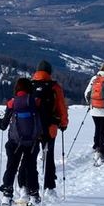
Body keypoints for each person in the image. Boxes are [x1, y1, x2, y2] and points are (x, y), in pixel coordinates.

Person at [0, 76, 42, 205]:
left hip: (15, 142)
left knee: (11, 167)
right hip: (32, 142)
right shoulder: (36, 102)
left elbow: (4, 125)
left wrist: (0, 123)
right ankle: (33, 194)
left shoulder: (12, 103)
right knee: (31, 167)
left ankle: (7, 194)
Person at [30, 60, 68, 195]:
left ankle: (27, 186)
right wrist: (63, 123)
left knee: (30, 157)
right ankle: (49, 186)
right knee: (48, 156)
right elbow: (61, 107)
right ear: (49, 72)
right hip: (49, 128)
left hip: (32, 128)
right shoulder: (54, 87)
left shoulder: (30, 85)